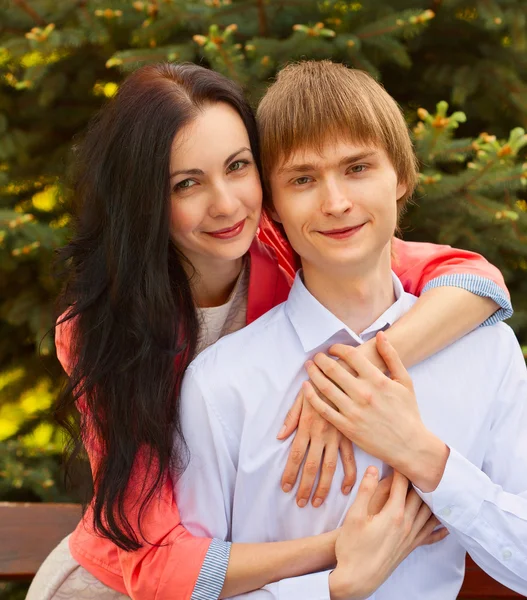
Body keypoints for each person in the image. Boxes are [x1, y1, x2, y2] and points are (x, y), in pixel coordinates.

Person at [28, 62, 512, 600]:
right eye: (187, 183)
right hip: (117, 582)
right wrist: (338, 565)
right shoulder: (105, 331)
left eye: (238, 167)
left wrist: (352, 382)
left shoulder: (288, 247)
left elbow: (474, 278)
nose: (227, 204)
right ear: (147, 201)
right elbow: (158, 566)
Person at [173, 60, 527, 599]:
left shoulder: (486, 350)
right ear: (272, 205)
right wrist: (336, 588)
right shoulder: (222, 384)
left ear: (402, 176)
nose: (336, 203)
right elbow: (192, 585)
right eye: (303, 179)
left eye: (357, 168)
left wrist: (424, 456)